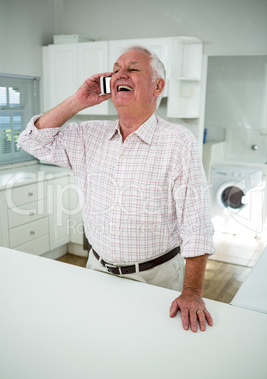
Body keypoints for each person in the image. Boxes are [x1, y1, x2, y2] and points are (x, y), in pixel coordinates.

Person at [18, 45, 215, 332]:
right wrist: (77, 101)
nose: (120, 74)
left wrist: (193, 292)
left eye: (133, 69)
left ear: (157, 86)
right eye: (115, 69)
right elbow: (31, 141)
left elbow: (196, 223)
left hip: (156, 278)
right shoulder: (88, 135)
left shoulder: (178, 141)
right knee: (97, 346)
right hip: (97, 270)